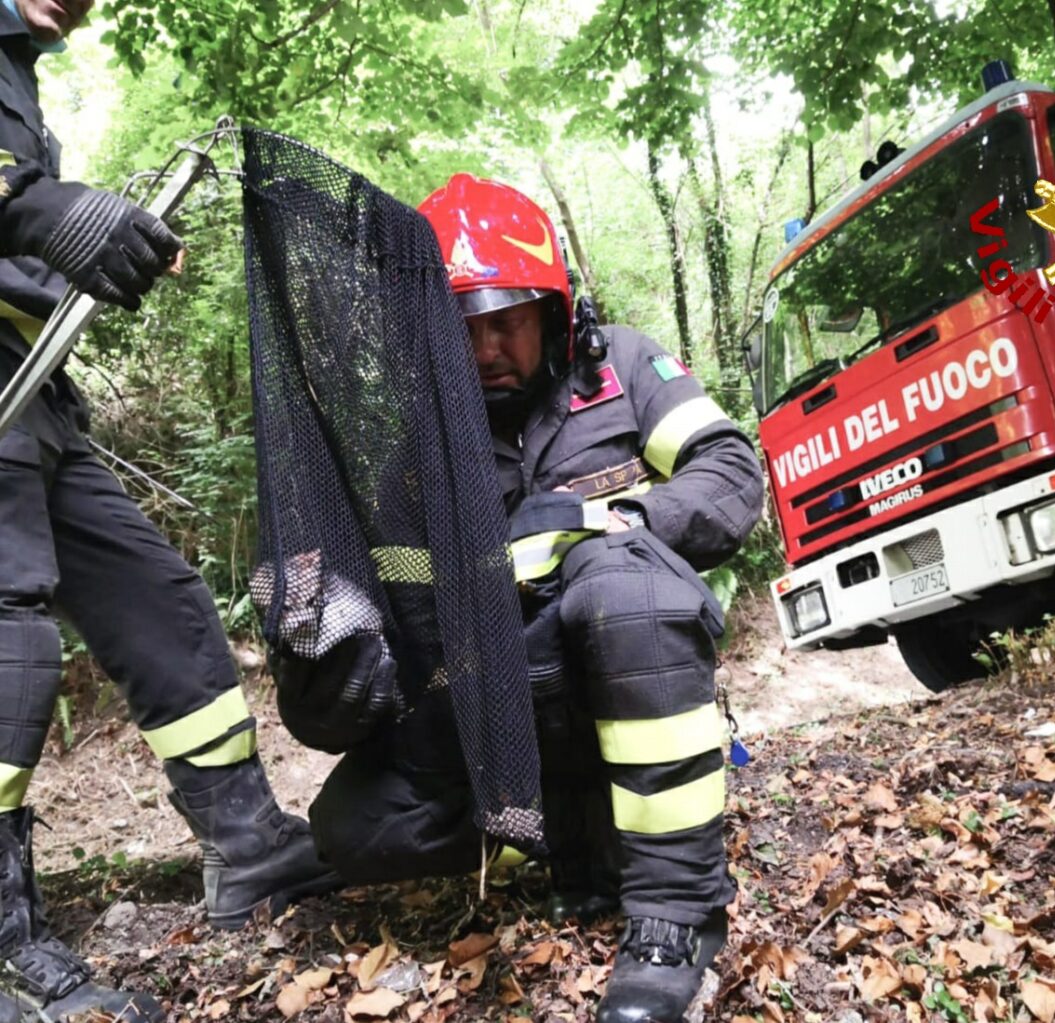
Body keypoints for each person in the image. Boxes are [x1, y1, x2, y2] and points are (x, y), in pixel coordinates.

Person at [292, 172, 764, 1022]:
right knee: (353, 827)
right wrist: (334, 647)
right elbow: (409, 632)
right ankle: (541, 835)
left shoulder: (618, 369)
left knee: (624, 589)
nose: (484, 349)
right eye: (460, 329)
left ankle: (675, 912)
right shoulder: (416, 453)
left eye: (505, 321)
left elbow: (729, 474)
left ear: (552, 309)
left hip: (626, 670)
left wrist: (610, 519)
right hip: (506, 704)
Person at [0, 2, 337, 1018]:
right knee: (10, 647)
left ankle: (248, 846)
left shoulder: (20, 70)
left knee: (165, 605)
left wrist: (86, 243)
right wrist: (33, 209)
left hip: (34, 391)